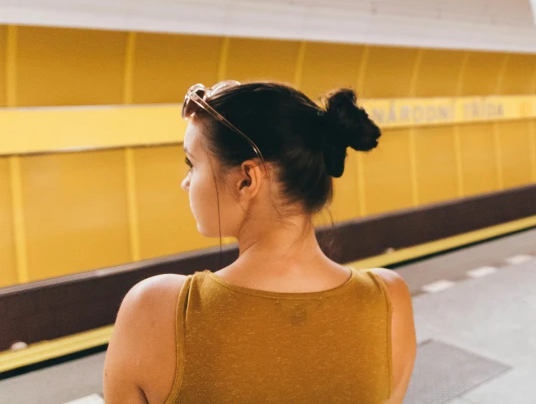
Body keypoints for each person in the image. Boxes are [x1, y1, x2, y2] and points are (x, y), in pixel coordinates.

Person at [103, 80, 416, 403]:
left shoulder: (154, 309)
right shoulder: (390, 301)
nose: (185, 183)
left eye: (192, 164)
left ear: (246, 179)